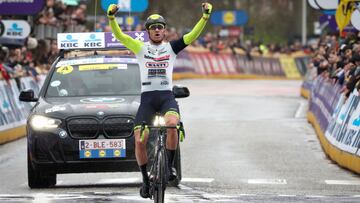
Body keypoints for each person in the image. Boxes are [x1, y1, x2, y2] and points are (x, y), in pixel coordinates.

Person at [107, 2, 212, 198]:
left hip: (166, 97)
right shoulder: (139, 47)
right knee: (140, 140)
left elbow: (193, 36)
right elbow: (120, 36)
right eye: (153, 28)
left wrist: (205, 16)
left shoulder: (172, 48)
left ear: (164, 31)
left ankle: (170, 167)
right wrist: (111, 18)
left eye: (160, 27)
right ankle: (145, 180)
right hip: (147, 99)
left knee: (172, 125)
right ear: (148, 32)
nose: (157, 30)